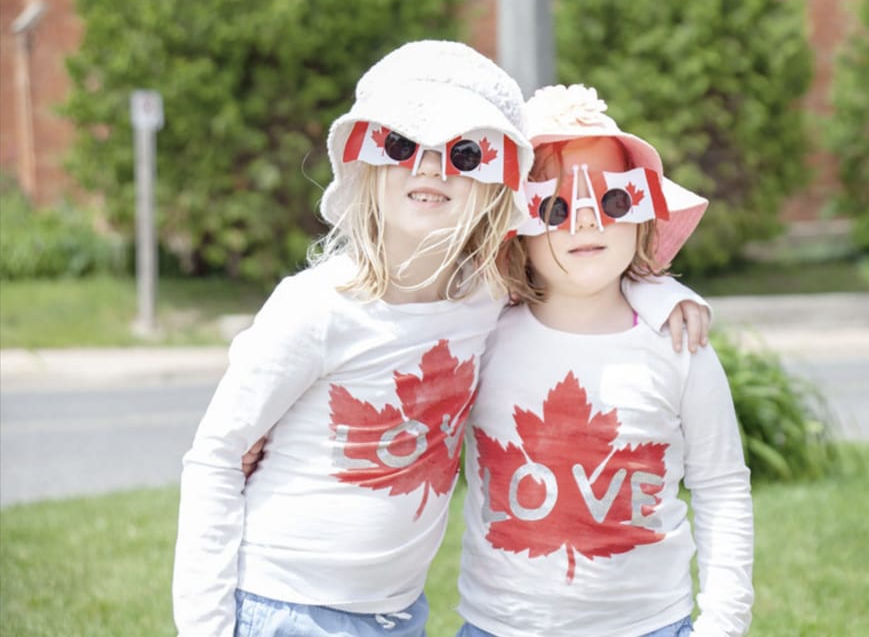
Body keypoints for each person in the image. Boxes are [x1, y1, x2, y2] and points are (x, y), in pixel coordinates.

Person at [174, 43, 709, 637]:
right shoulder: (317, 306)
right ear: (367, 163)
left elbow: (582, 274)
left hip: (398, 615)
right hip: (286, 605)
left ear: (492, 184)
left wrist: (661, 293)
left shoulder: (483, 298)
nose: (430, 167)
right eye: (401, 145)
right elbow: (216, 457)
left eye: (462, 152)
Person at [456, 85, 754, 637]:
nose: (587, 222)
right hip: (501, 627)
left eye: (614, 201)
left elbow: (721, 485)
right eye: (555, 207)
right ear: (516, 230)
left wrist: (723, 624)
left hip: (651, 626)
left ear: (641, 215)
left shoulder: (679, 345)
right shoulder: (482, 338)